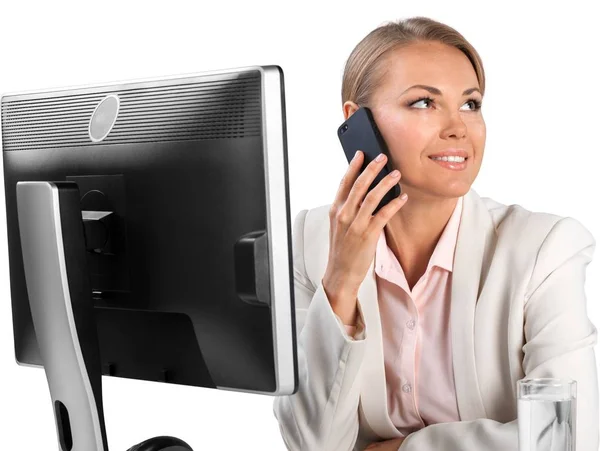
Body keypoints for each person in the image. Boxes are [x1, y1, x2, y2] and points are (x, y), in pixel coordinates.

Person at [273, 16, 599, 451]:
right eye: (424, 103)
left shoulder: (544, 249)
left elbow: (567, 437)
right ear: (357, 123)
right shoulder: (307, 245)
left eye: (470, 104)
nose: (458, 127)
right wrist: (341, 283)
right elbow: (311, 444)